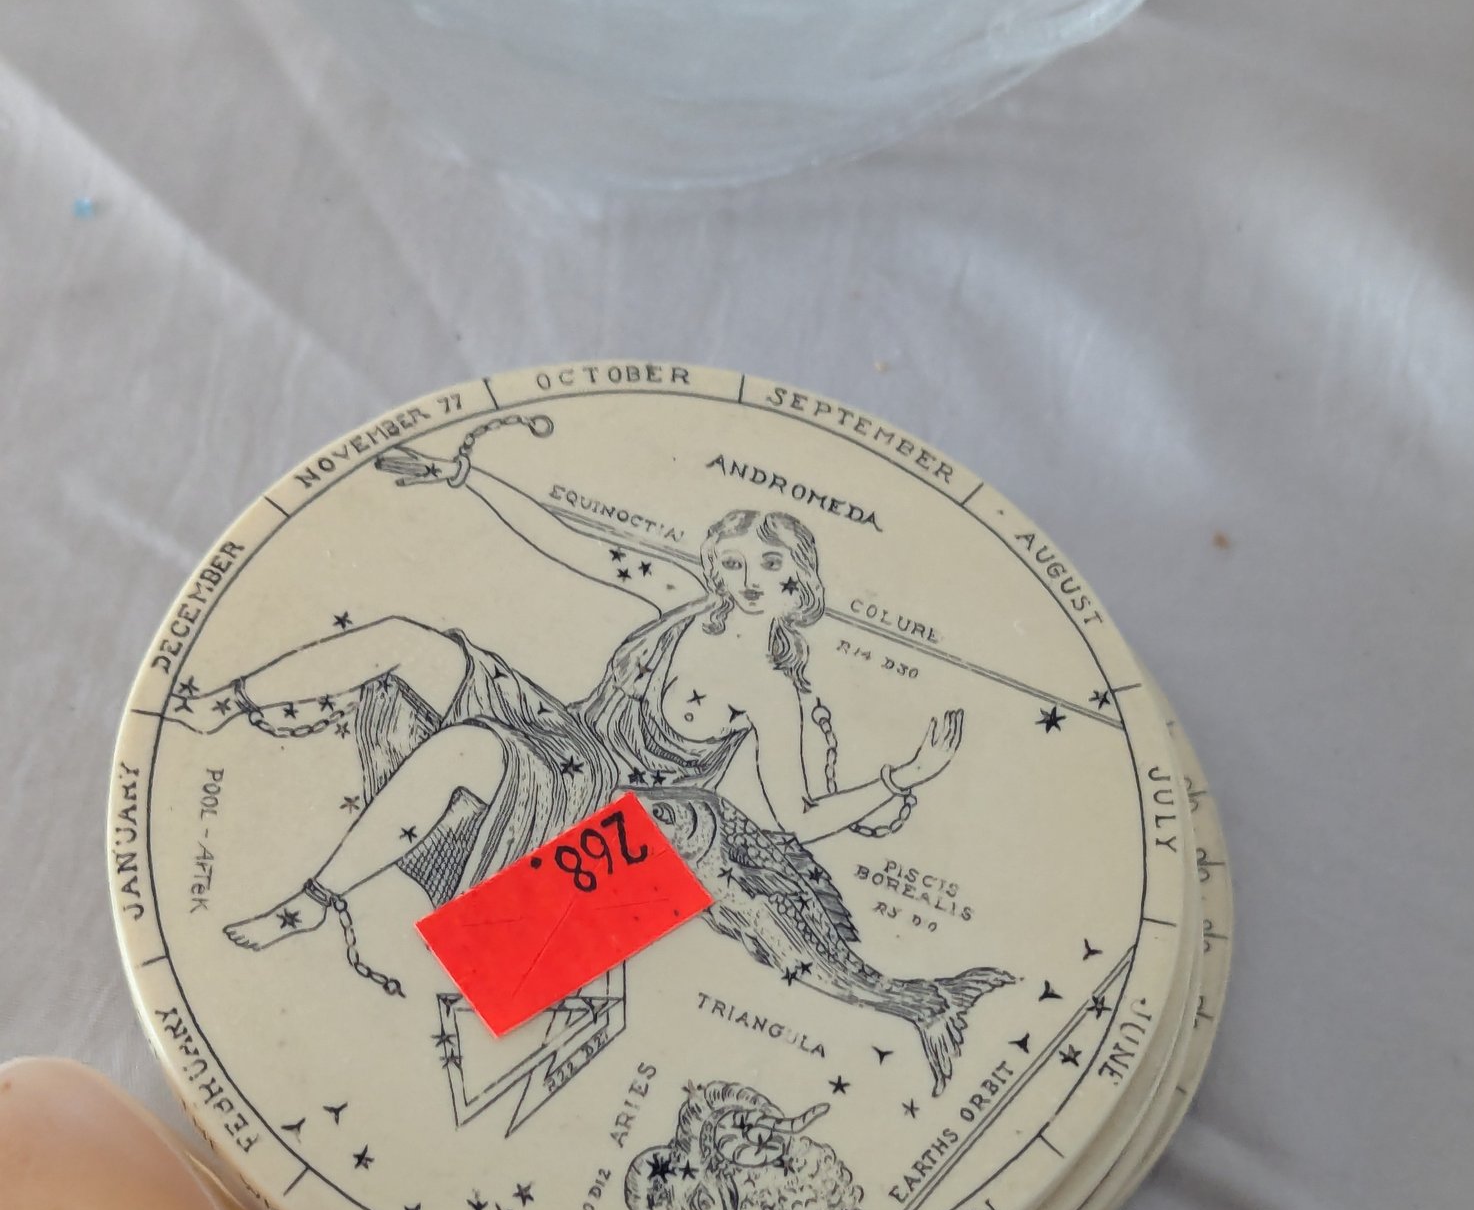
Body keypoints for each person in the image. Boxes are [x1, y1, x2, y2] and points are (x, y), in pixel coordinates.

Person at [173, 431, 1013, 1091]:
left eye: (770, 566)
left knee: (468, 751)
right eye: (734, 562)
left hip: (603, 804)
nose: (748, 579)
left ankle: (313, 903)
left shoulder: (772, 691)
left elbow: (799, 816)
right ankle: (227, 701)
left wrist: (899, 782)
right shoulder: (678, 602)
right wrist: (469, 478)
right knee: (407, 642)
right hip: (563, 737)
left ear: (799, 584)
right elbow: (569, 541)